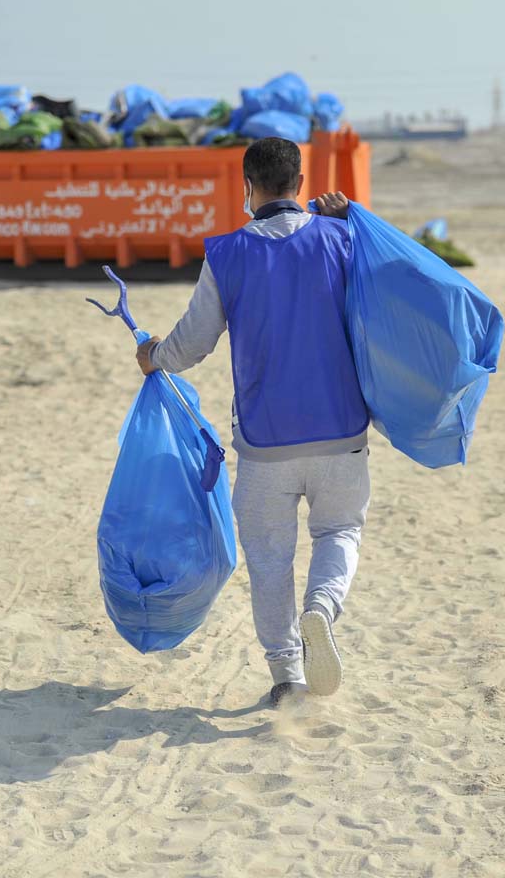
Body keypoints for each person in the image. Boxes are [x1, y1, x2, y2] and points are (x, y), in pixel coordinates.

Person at [136, 137, 370, 707]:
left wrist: (154, 356)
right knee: (339, 531)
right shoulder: (343, 238)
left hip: (265, 443)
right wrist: (356, 219)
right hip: (342, 430)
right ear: (300, 182)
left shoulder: (228, 254)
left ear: (248, 187)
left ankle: (287, 676)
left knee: (269, 559)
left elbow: (193, 342)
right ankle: (323, 607)